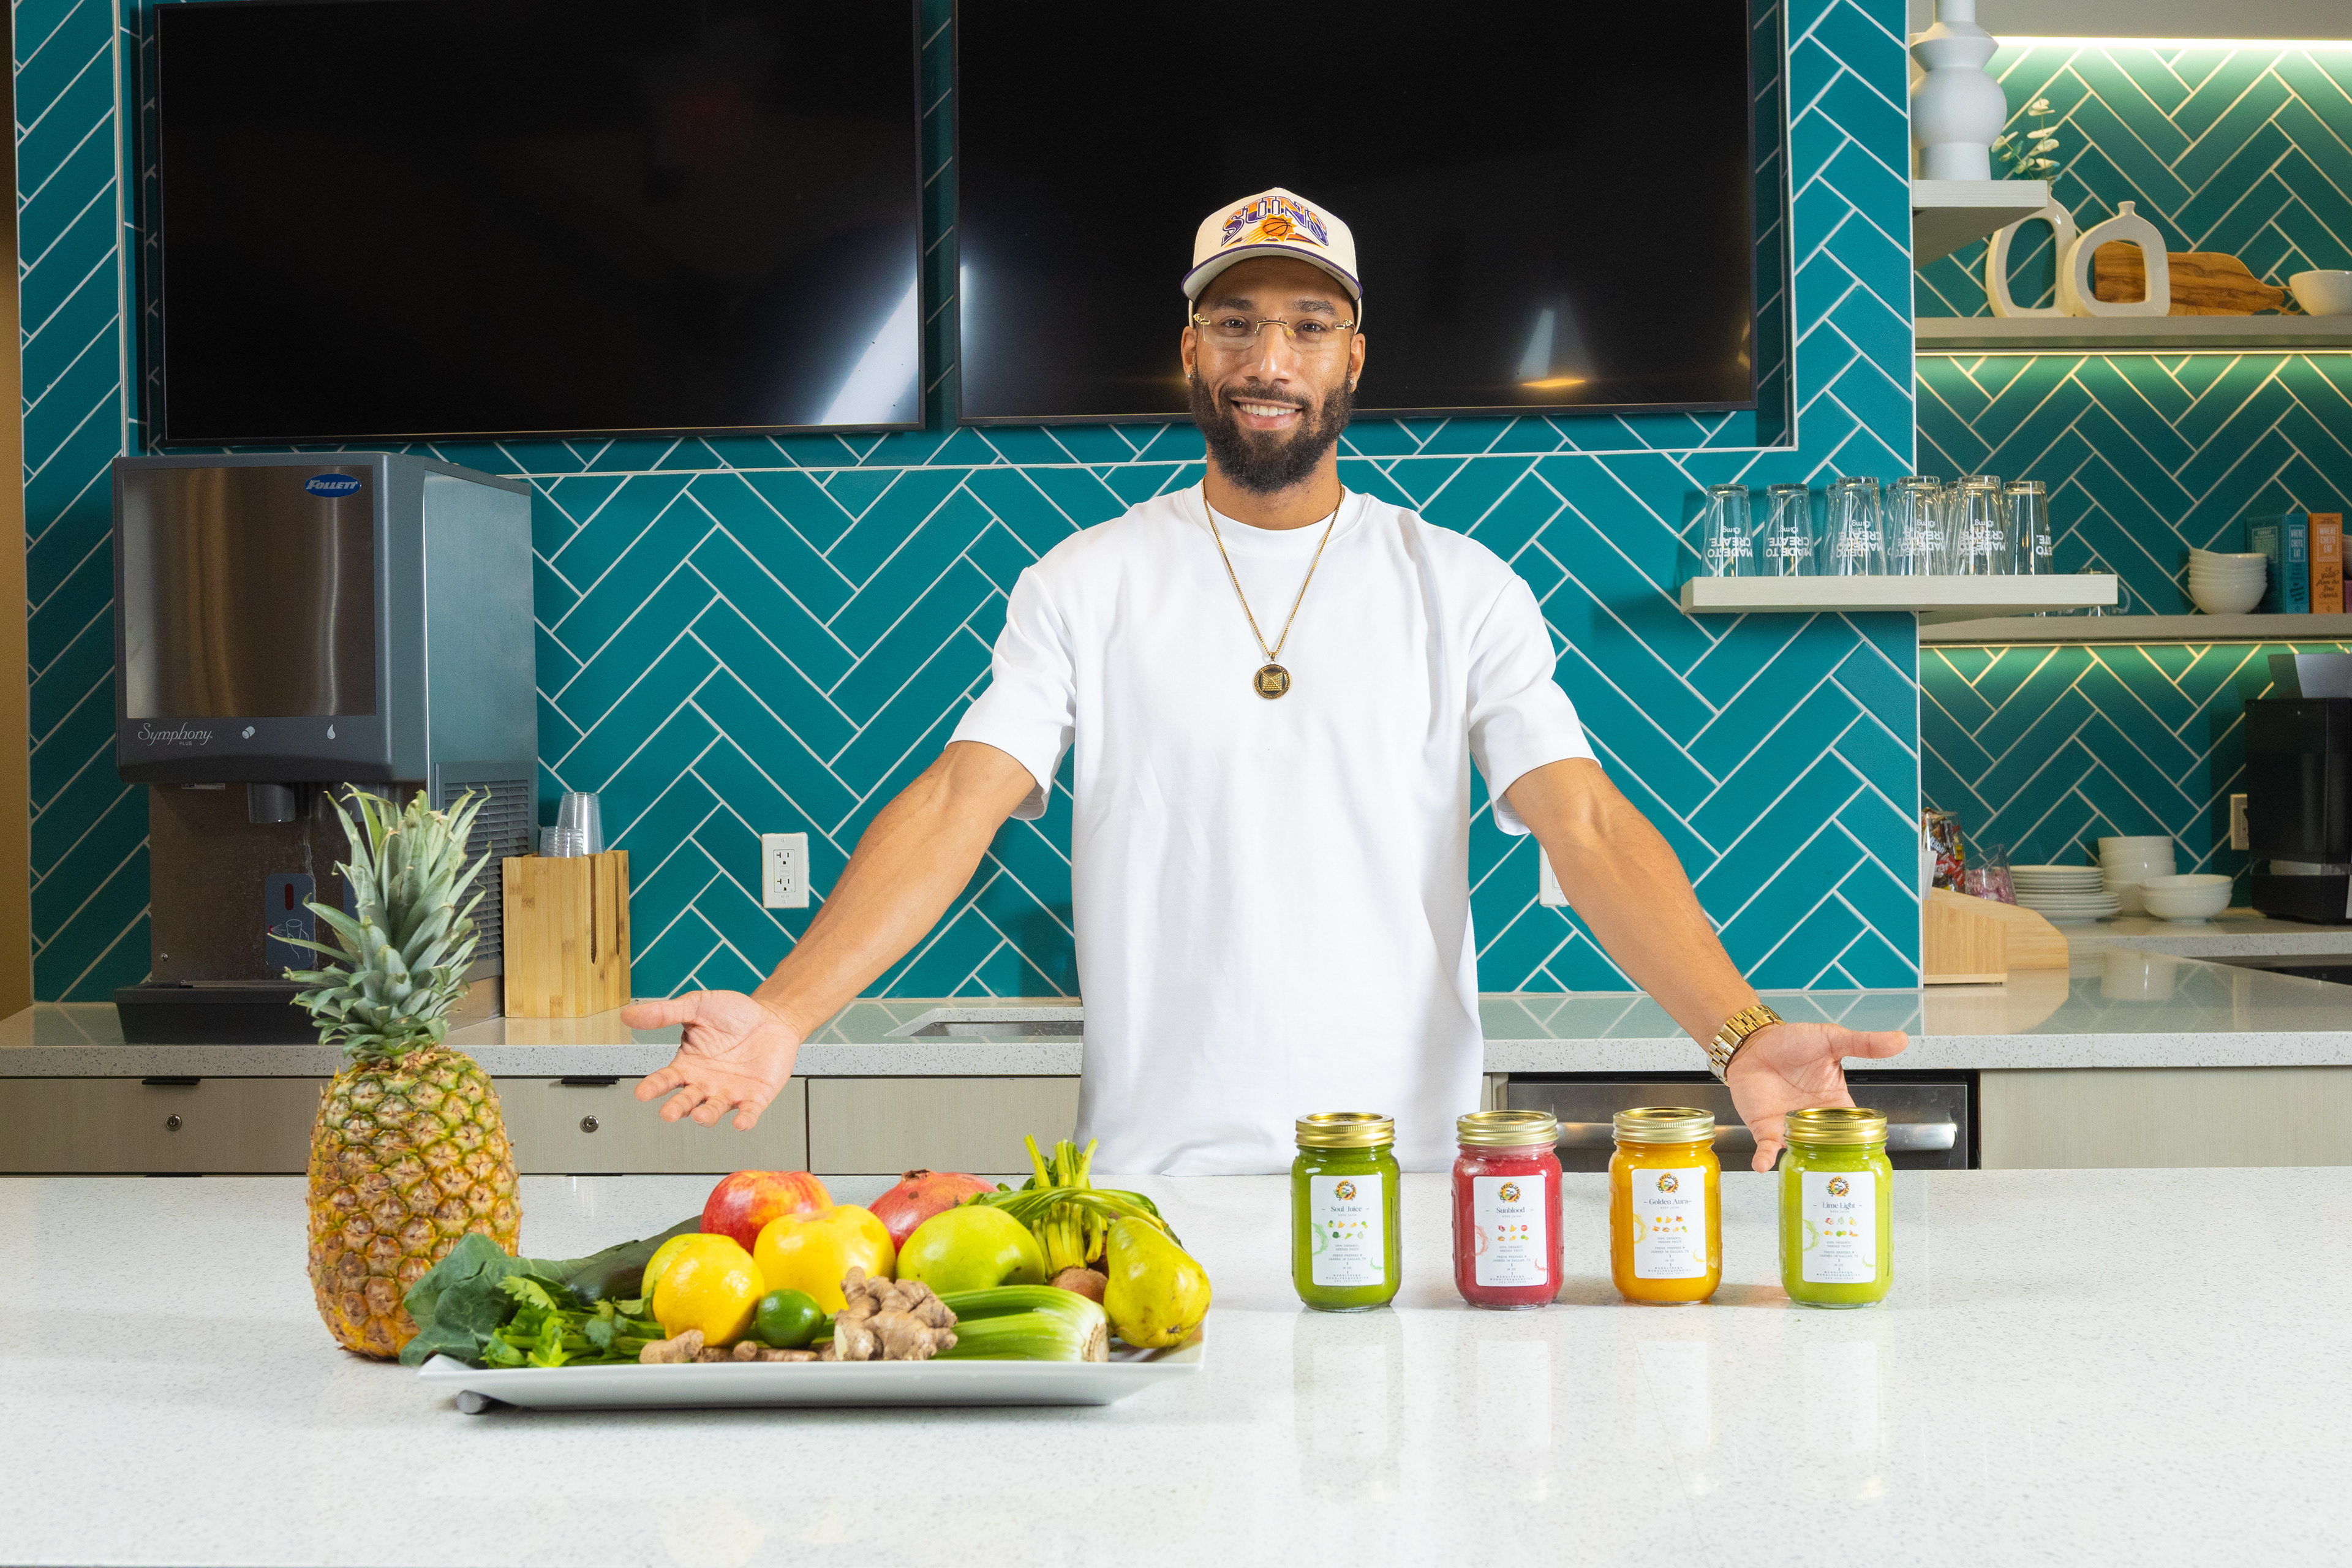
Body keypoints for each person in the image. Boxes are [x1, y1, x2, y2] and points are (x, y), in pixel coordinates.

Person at [622, 186, 1907, 1174]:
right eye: (1236, 323)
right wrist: (785, 1012)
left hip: (1400, 1173)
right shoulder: (1085, 580)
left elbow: (1587, 825)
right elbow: (965, 798)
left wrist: (1739, 1034)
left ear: (1355, 355)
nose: (1269, 359)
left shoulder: (1460, 585)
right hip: (1148, 1183)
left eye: (1306, 324)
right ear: (1191, 348)